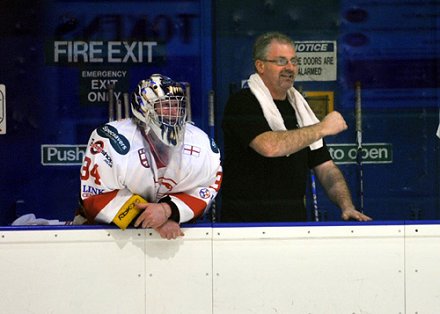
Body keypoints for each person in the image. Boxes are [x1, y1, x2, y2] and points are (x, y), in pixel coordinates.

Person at [221, 32, 371, 223]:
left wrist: (346, 206)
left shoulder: (300, 108)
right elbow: (269, 146)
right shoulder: (242, 103)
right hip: (246, 226)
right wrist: (322, 128)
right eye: (281, 61)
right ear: (260, 66)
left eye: (294, 61)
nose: (290, 68)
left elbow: (325, 167)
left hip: (293, 225)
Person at [75, 74, 223, 239]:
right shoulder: (112, 139)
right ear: (144, 109)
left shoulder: (201, 142)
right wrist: (155, 219)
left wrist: (168, 210)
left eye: (176, 105)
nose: (173, 111)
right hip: (109, 235)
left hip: (175, 232)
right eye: (165, 105)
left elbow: (206, 187)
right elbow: (95, 198)